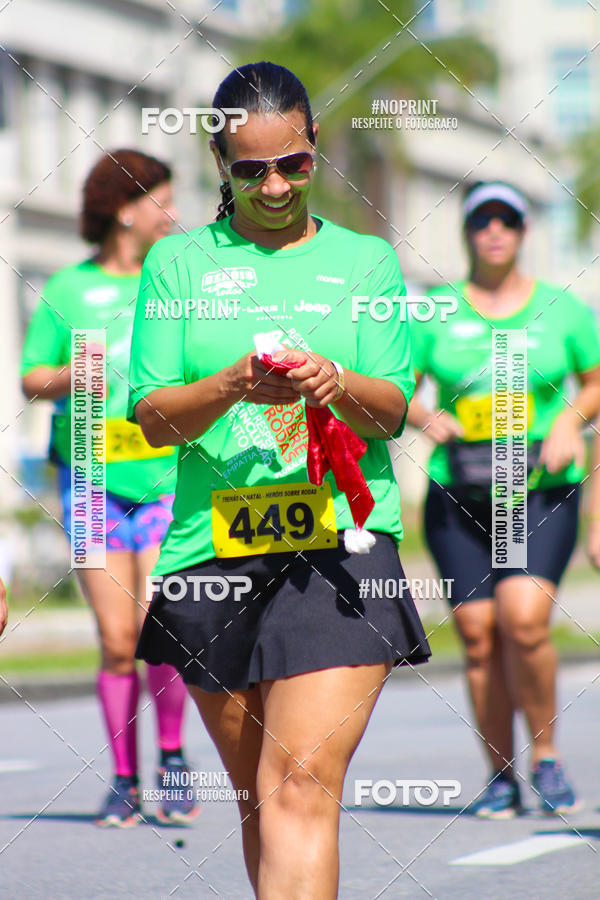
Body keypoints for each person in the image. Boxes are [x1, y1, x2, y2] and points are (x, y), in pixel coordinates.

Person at [128, 61, 430, 897]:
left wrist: (335, 379)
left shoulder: (367, 262)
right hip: (211, 553)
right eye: (250, 169)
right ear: (219, 164)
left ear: (315, 148)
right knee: (261, 800)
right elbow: (152, 417)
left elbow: (391, 409)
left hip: (339, 552)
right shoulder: (176, 265)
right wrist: (230, 384)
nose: (273, 186)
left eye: (292, 164)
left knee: (299, 782)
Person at [408, 181, 600, 818]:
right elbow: (397, 388)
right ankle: (500, 774)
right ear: (467, 232)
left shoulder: (562, 310)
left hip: (535, 487)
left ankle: (546, 758)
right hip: (459, 489)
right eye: (483, 221)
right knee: (480, 634)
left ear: (523, 233)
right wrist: (424, 416)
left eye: (508, 221)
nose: (495, 232)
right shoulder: (435, 311)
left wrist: (572, 419)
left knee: (523, 619)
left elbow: (596, 379)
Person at [21, 150, 199, 828]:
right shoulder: (68, 289)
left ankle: (175, 759)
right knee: (117, 637)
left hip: (161, 481)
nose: (175, 214)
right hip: (91, 483)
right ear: (128, 209)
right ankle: (125, 779)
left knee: (164, 625)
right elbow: (30, 378)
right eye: (163, 200)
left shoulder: (175, 285)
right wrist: (76, 373)